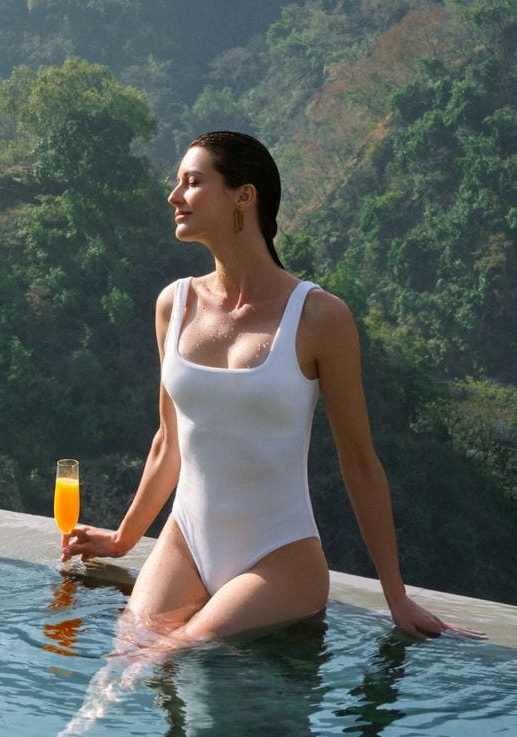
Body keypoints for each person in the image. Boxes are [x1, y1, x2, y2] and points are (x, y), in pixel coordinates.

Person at [61, 131, 480, 652]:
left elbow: (360, 462)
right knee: (127, 651)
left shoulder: (320, 317)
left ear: (244, 195)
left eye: (192, 182)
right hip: (185, 542)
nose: (174, 197)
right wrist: (124, 539)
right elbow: (169, 441)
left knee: (177, 653)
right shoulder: (174, 304)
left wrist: (396, 598)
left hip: (279, 559)